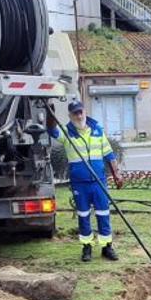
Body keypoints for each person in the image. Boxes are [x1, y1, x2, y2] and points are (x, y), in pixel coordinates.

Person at [47, 100, 123, 262]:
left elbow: (109, 154)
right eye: (75, 113)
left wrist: (117, 174)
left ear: (85, 111)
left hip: (99, 181)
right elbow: (51, 130)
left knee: (103, 213)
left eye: (81, 111)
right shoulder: (67, 133)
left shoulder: (97, 130)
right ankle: (86, 247)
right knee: (83, 215)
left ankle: (106, 247)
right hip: (80, 183)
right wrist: (50, 112)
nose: (79, 115)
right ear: (70, 115)